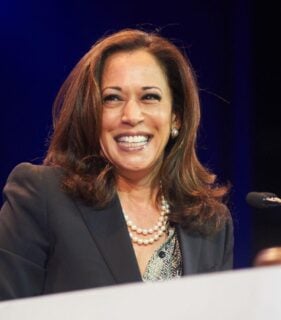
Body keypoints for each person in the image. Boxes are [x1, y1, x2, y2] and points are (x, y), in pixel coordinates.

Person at [0, 29, 233, 301]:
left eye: (149, 97)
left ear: (176, 118)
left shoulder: (210, 224)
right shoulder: (43, 195)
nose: (131, 115)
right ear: (91, 114)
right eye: (112, 98)